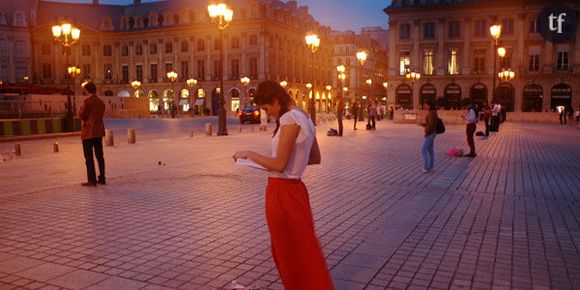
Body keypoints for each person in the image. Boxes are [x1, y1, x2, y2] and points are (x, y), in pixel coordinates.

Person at [233, 81, 332, 290]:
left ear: (276, 101)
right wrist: (294, 162)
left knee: (286, 252)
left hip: (282, 194)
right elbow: (315, 157)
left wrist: (250, 154)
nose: (268, 114)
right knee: (304, 249)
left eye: (267, 109)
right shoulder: (305, 116)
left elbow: (279, 164)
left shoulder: (289, 119)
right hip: (297, 192)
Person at [79, 82, 106, 186]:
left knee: (89, 157)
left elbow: (83, 115)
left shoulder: (87, 101)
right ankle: (102, 178)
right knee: (100, 156)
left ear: (87, 90)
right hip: (98, 131)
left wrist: (79, 110)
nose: (84, 92)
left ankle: (92, 180)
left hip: (88, 132)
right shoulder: (101, 102)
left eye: (85, 90)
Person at [421, 100, 437, 173]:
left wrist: (427, 133)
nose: (425, 106)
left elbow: (431, 124)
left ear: (429, 105)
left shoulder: (432, 113)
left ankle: (425, 167)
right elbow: (429, 123)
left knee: (423, 149)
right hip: (432, 132)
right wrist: (424, 124)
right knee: (430, 150)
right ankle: (431, 167)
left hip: (430, 133)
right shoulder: (432, 112)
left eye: (426, 105)